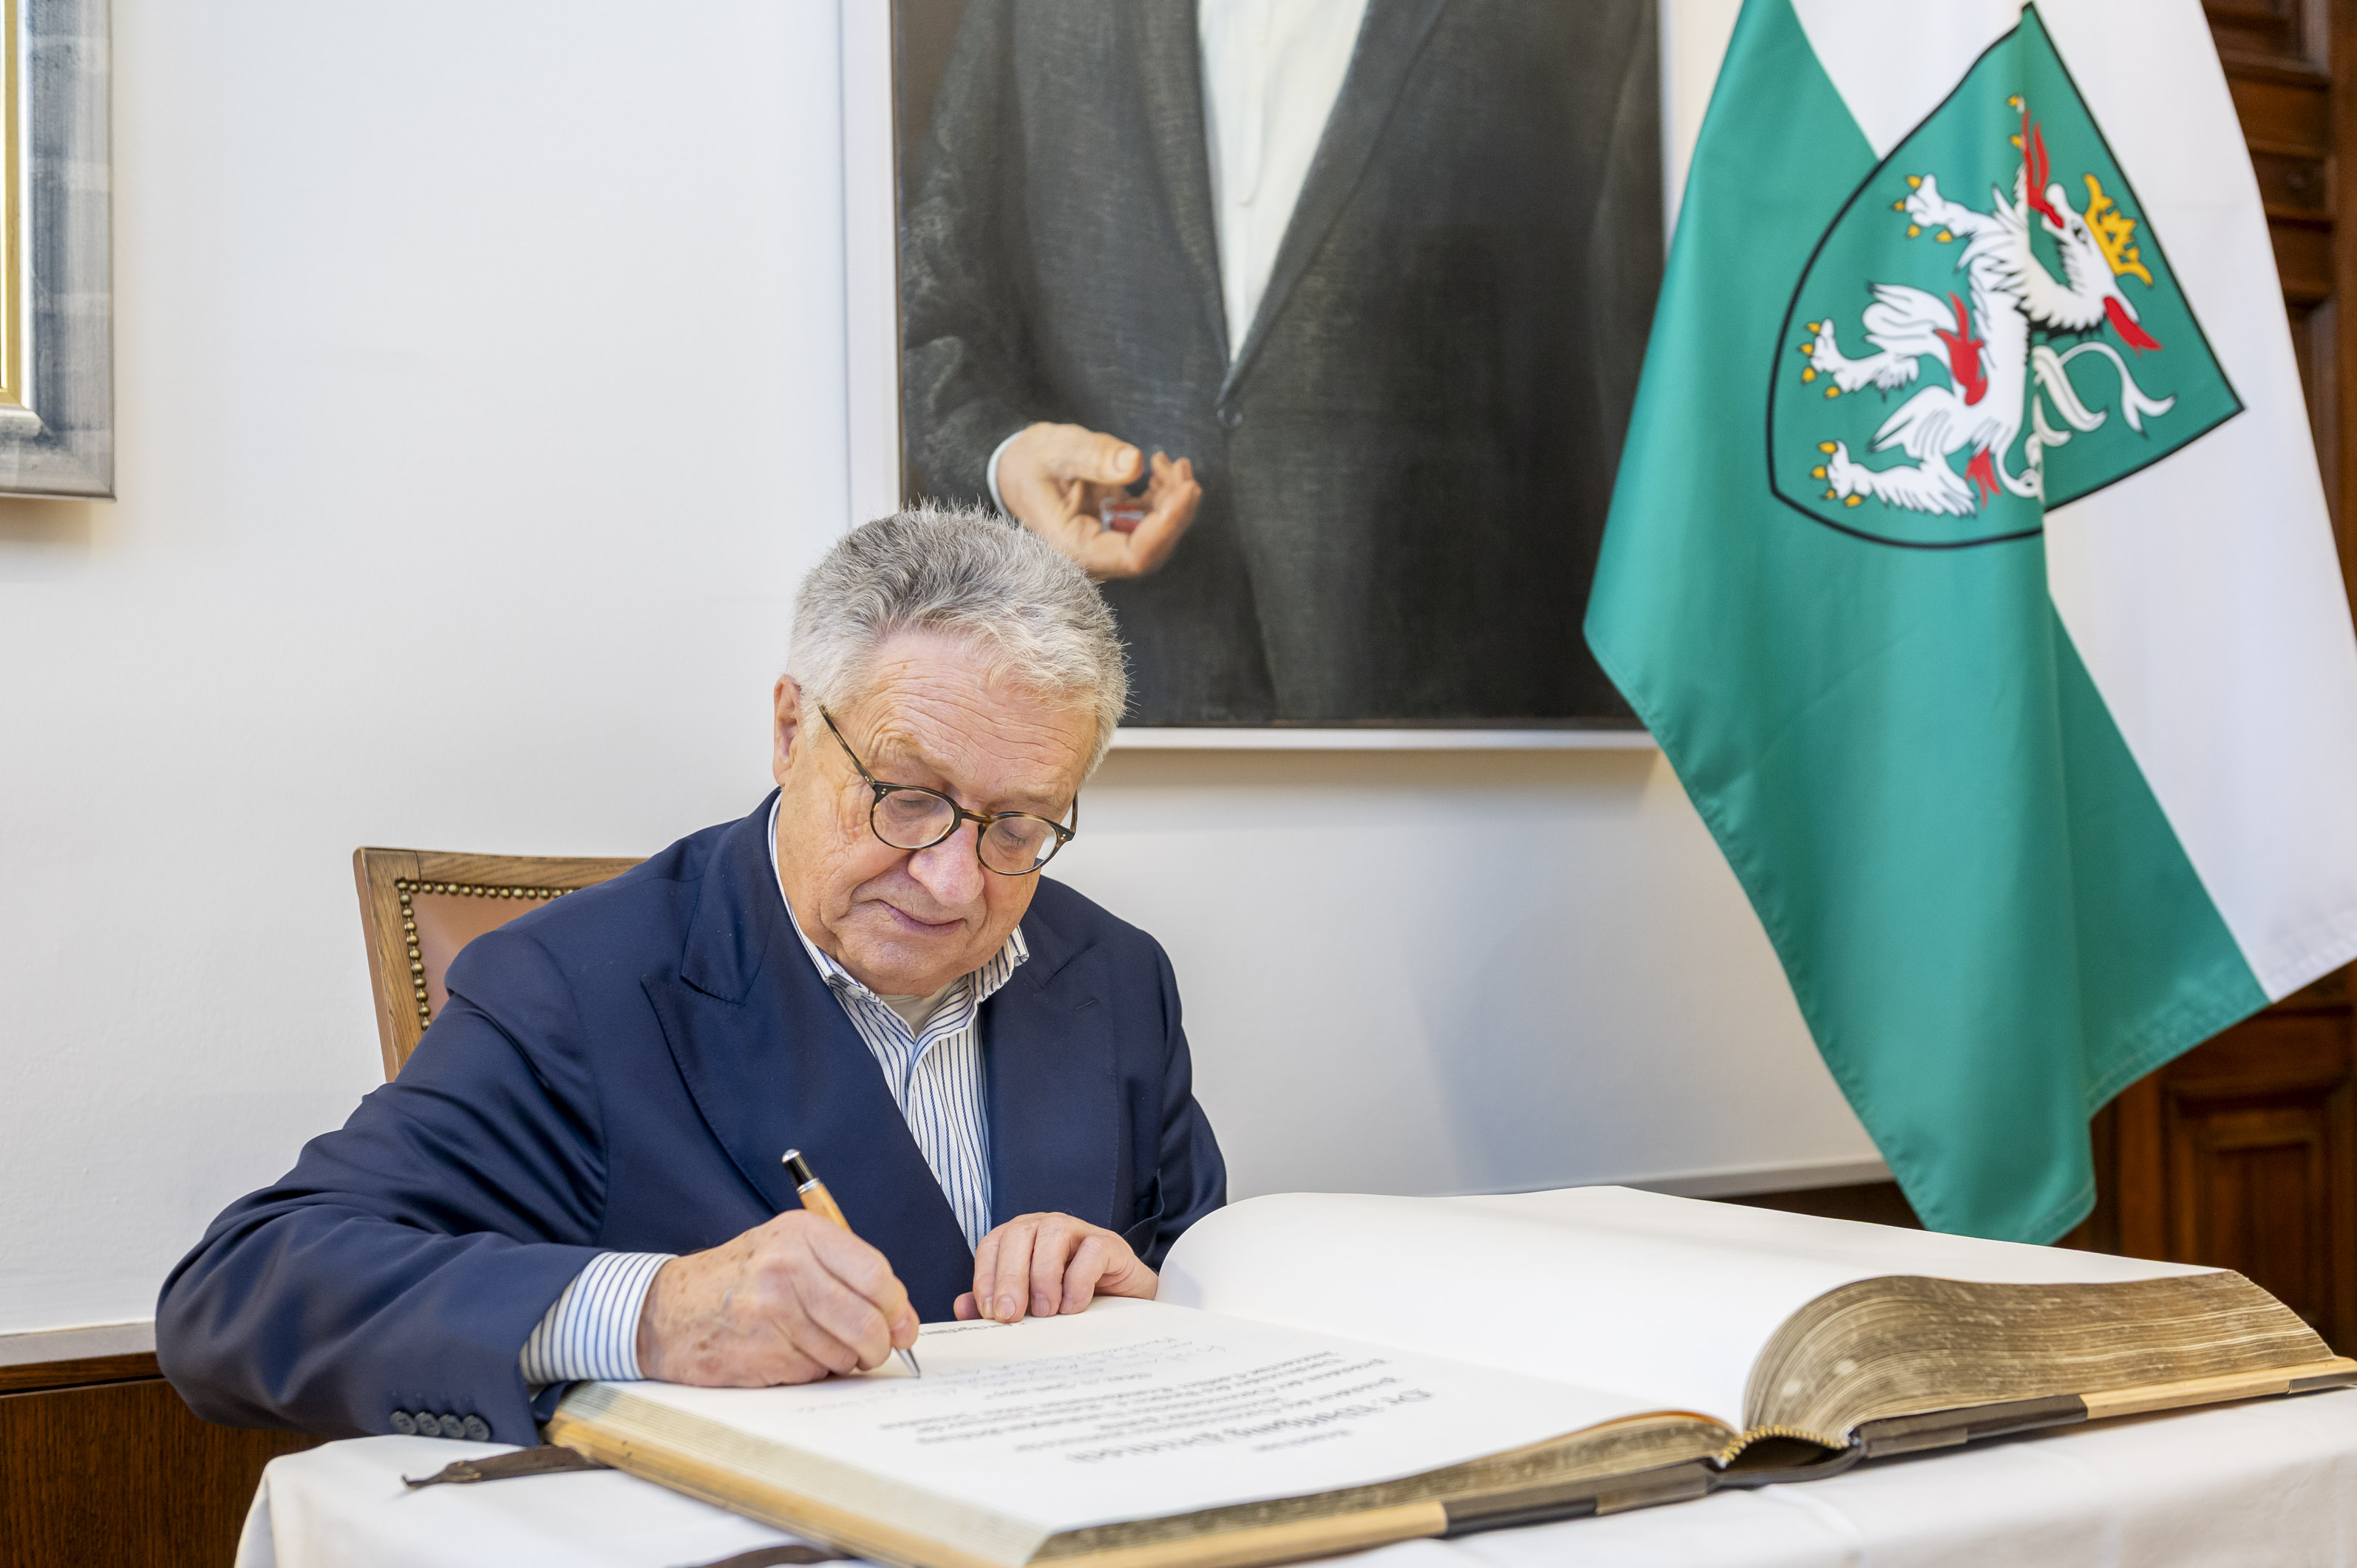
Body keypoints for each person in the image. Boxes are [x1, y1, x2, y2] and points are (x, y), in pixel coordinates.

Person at [156, 507, 1226, 1442]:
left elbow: (1204, 1276)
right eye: (908, 794)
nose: (951, 880)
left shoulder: (1115, 975)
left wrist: (1150, 1293)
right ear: (790, 728)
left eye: (1019, 823)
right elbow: (241, 1292)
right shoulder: (575, 985)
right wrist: (655, 1311)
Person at [901, 0, 1661, 725]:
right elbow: (934, 301)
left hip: (1465, 753)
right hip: (1101, 739)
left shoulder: (1591, 19)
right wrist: (1000, 457)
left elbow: (1630, 369)